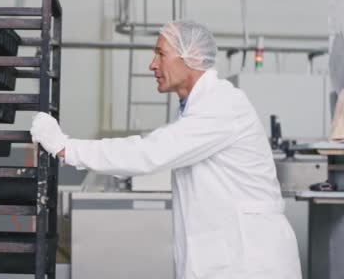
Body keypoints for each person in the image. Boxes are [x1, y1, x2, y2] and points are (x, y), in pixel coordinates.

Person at [30, 20, 302, 279]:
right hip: (229, 257)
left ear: (191, 55)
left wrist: (67, 147)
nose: (152, 65)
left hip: (251, 263)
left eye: (161, 54)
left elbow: (149, 152)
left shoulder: (223, 104)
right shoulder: (196, 107)